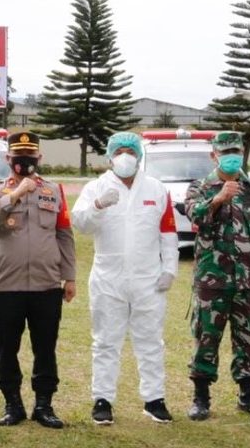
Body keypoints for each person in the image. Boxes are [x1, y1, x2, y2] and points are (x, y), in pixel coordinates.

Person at [72, 132, 178, 425]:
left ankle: (154, 399)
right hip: (108, 277)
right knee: (106, 341)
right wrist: (97, 206)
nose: (125, 155)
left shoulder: (156, 189)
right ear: (109, 156)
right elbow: (79, 223)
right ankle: (103, 399)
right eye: (119, 150)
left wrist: (169, 269)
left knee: (151, 341)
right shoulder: (96, 187)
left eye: (131, 150)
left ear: (140, 155)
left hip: (149, 279)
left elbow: (167, 232)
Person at [0, 131, 76, 429]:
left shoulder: (53, 190)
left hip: (46, 286)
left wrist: (69, 277)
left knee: (45, 347)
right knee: (6, 348)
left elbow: (64, 234)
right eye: (18, 157)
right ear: (8, 159)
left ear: (39, 158)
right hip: (8, 286)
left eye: (30, 157)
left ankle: (44, 405)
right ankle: (13, 404)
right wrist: (16, 194)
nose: (24, 162)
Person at [184, 131, 250, 421]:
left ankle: (248, 396)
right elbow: (195, 217)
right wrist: (217, 199)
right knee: (206, 338)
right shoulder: (200, 187)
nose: (231, 156)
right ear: (213, 155)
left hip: (249, 281)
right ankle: (201, 398)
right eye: (225, 152)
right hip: (212, 281)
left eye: (236, 151)